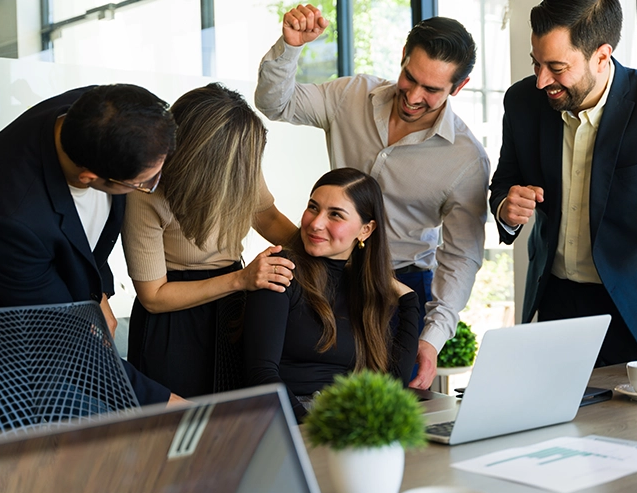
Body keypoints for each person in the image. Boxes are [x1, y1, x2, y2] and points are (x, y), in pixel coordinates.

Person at [255, 6, 489, 389]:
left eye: (431, 90)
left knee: (390, 413)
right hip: (330, 277)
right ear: (402, 58)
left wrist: (432, 339)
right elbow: (275, 104)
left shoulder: (465, 159)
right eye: (409, 78)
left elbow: (461, 256)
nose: (413, 97)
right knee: (321, 395)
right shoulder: (352, 95)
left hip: (398, 288)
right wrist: (290, 48)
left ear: (457, 89)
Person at [489, 0, 637, 377]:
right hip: (555, 300)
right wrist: (505, 206)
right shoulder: (522, 102)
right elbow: (505, 179)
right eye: (536, 63)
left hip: (635, 309)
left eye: (557, 68)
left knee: (632, 431)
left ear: (601, 56)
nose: (542, 80)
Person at [0, 84, 183, 406]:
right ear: (88, 177)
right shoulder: (10, 218)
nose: (153, 186)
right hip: (5, 338)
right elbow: (65, 343)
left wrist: (98, 291)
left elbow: (85, 241)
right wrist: (169, 406)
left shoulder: (100, 110)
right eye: (146, 182)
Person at [122, 83, 297, 398]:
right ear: (203, 160)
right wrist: (241, 279)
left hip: (233, 304)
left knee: (238, 417)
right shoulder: (145, 193)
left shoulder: (239, 160)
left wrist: (322, 246)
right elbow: (154, 297)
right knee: (181, 430)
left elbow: (267, 217)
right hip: (174, 317)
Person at [243, 168, 420, 421]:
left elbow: (392, 389)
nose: (316, 223)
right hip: (294, 419)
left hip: (348, 418)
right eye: (313, 207)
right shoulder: (281, 271)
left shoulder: (363, 289)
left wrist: (408, 299)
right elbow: (261, 376)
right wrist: (317, 433)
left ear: (366, 230)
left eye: (335, 214)